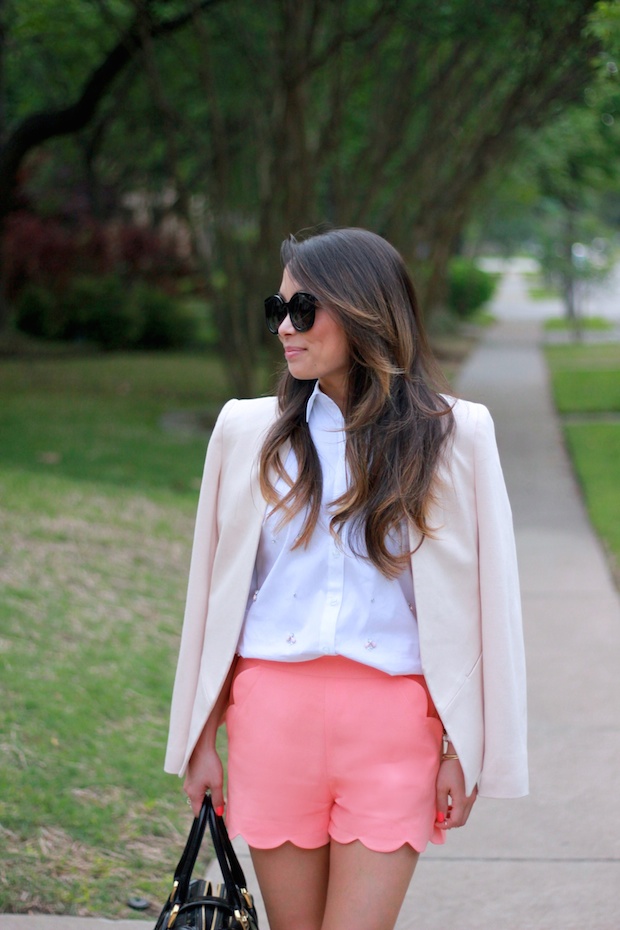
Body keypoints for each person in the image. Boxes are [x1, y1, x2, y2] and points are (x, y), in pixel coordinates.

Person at [164, 227, 528, 930]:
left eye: (304, 311)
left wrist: (466, 749)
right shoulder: (246, 431)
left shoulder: (455, 434)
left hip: (393, 726)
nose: (285, 330)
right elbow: (212, 601)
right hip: (271, 719)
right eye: (279, 309)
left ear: (364, 313)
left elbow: (489, 607)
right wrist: (200, 740)